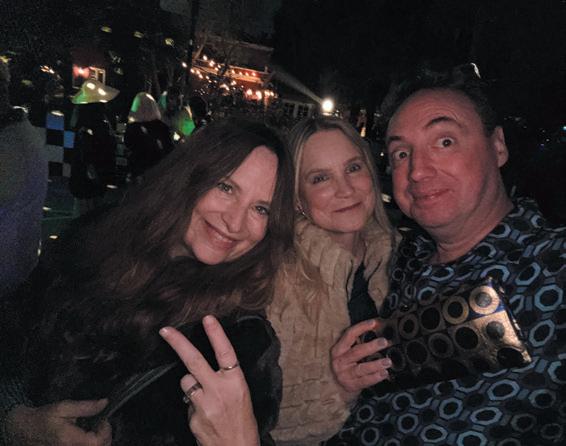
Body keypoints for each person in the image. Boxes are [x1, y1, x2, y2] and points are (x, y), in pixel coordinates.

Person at [0, 118, 295, 446]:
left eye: (261, 209)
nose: (235, 222)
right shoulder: (92, 241)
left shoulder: (243, 340)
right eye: (226, 187)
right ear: (189, 176)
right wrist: (13, 420)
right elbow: (12, 343)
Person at [326, 65, 566, 445]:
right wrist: (347, 385)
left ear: (498, 146)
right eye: (401, 153)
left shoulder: (553, 268)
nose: (417, 171)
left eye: (445, 142)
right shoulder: (402, 260)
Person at [266, 117, 397, 445]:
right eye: (320, 178)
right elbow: (269, 421)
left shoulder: (397, 255)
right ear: (297, 198)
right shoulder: (276, 279)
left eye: (353, 168)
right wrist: (341, 390)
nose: (346, 189)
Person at [68, 79, 119, 215]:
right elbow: (89, 153)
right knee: (90, 216)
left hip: (88, 179)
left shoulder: (86, 120)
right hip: (91, 180)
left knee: (85, 214)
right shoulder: (94, 122)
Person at [124, 92, 174, 182]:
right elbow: (169, 148)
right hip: (160, 171)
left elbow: (128, 144)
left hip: (140, 172)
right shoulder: (162, 127)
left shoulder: (133, 128)